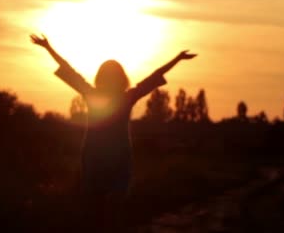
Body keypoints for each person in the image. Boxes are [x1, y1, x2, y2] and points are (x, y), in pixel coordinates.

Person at [30, 33, 196, 228]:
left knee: (96, 206)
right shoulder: (125, 96)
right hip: (112, 156)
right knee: (107, 207)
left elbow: (69, 70)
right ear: (121, 78)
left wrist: (48, 47)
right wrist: (177, 58)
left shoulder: (93, 94)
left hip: (100, 156)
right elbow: (155, 75)